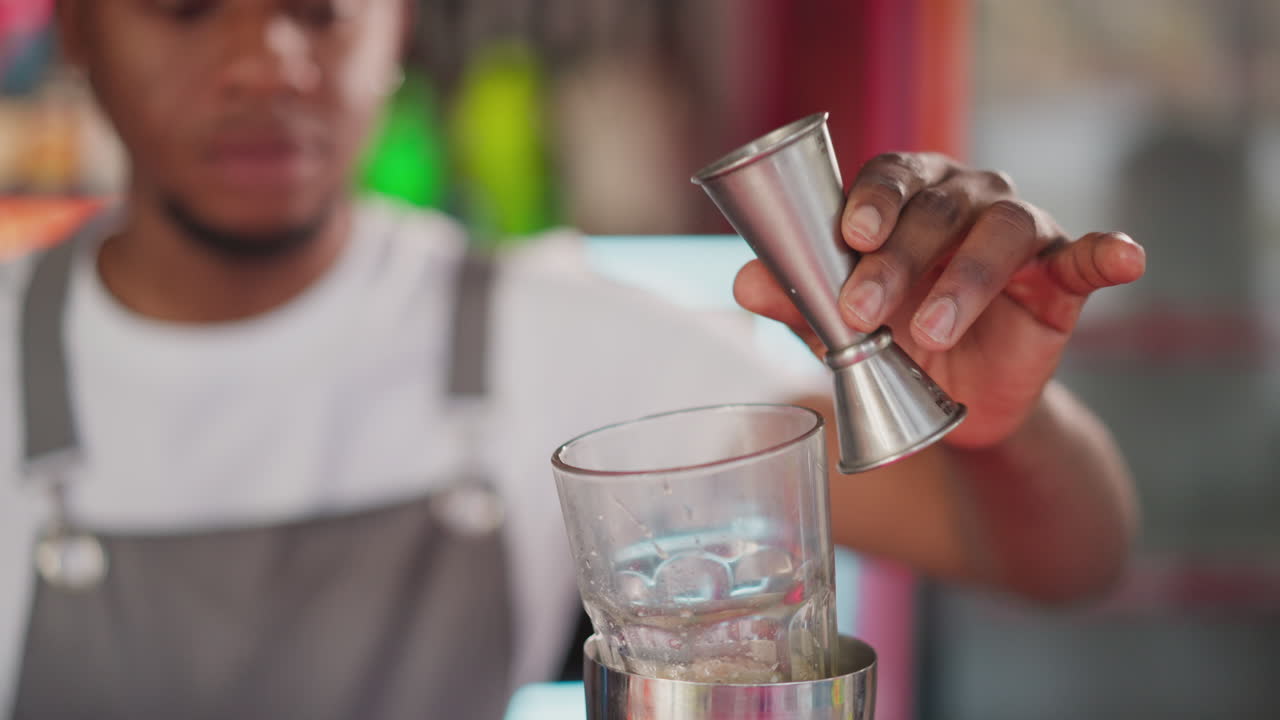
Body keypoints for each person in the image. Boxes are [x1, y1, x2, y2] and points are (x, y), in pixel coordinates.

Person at [0, 1, 1146, 718]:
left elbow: (1057, 558)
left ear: (399, 28)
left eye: (320, 7)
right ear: (81, 30)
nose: (263, 59)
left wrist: (999, 426)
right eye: (184, 6)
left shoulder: (546, 336)